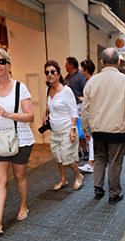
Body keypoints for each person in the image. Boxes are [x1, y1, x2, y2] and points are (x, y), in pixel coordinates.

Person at [0, 48, 35, 234]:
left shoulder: (20, 87)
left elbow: (30, 116)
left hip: (19, 139)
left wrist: (8, 114)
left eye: (1, 61)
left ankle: (23, 205)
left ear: (9, 64)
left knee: (19, 176)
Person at [82, 48, 125, 203]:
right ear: (119, 62)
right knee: (115, 162)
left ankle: (98, 187)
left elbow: (85, 109)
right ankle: (114, 193)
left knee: (100, 157)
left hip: (98, 130)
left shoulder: (92, 81)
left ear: (102, 62)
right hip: (118, 130)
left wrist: (87, 129)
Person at [44, 60, 84, 191]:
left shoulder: (66, 91)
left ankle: (78, 176)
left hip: (67, 130)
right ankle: (63, 179)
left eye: (52, 72)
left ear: (58, 73)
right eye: (47, 72)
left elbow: (74, 112)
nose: (49, 75)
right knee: (58, 158)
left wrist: (73, 130)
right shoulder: (48, 90)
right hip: (55, 132)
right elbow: (50, 106)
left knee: (67, 158)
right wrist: (46, 114)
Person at [79, 59, 96, 174]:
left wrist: (83, 100)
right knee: (92, 140)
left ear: (85, 69)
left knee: (91, 140)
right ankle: (91, 162)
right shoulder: (94, 81)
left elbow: (88, 103)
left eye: (82, 68)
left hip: (92, 116)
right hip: (96, 115)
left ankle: (91, 163)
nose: (80, 70)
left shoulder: (89, 83)